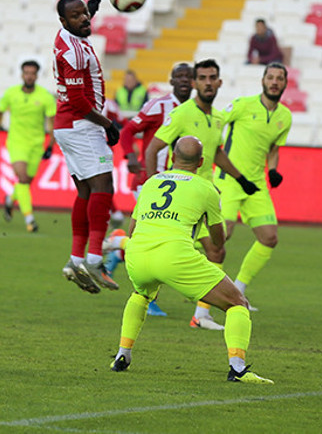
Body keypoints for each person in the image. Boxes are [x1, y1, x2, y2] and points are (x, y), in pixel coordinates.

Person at [109, 136, 273, 384]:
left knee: (141, 294)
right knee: (238, 303)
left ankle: (122, 355)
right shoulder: (206, 188)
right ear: (202, 162)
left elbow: (133, 229)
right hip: (174, 256)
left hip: (137, 255)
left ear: (173, 158)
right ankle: (237, 369)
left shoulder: (152, 182)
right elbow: (218, 241)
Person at [140, 59, 260, 327]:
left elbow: (216, 151)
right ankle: (120, 247)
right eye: (203, 77)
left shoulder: (218, 118)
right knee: (204, 249)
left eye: (212, 77)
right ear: (195, 83)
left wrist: (240, 179)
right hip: (182, 198)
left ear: (219, 82)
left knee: (216, 250)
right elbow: (152, 148)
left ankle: (201, 314)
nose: (208, 82)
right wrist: (152, 184)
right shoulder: (182, 113)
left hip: (204, 198)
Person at [105, 62, 192, 316]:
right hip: (149, 181)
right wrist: (131, 157)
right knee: (155, 241)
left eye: (190, 76)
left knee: (151, 240)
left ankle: (117, 246)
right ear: (172, 80)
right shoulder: (159, 105)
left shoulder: (198, 111)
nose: (185, 80)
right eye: (180, 76)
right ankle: (147, 297)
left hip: (179, 186)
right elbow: (128, 131)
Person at [53, 0, 122, 293]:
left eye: (85, 13)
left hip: (68, 125)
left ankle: (75, 259)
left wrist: (88, 11)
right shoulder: (73, 53)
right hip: (82, 125)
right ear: (63, 21)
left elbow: (79, 23)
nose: (84, 19)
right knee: (104, 186)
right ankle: (95, 258)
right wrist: (108, 125)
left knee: (85, 190)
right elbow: (80, 101)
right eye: (77, 15)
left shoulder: (68, 34)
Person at [214, 63, 292, 308]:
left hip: (256, 185)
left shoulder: (285, 117)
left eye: (280, 78)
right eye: (271, 77)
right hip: (230, 181)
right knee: (220, 238)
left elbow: (273, 149)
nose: (275, 82)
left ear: (285, 84)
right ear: (263, 80)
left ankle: (239, 290)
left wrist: (274, 170)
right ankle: (201, 303)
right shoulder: (243, 105)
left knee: (269, 238)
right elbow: (215, 122)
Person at [0, 60, 57, 233]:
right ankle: (30, 220)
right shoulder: (11, 94)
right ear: (22, 74)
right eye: (26, 72)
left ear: (37, 75)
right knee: (23, 178)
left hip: (36, 144)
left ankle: (11, 200)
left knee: (25, 182)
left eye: (32, 73)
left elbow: (52, 123)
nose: (29, 76)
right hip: (17, 142)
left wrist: (50, 145)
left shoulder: (45, 97)